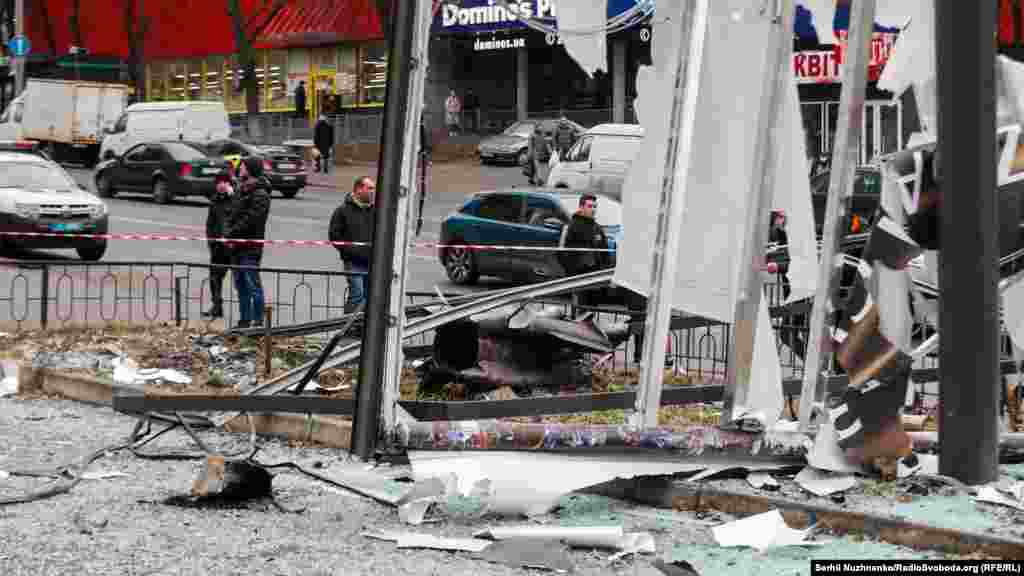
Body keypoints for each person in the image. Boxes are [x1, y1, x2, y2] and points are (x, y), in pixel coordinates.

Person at [224, 157, 271, 330]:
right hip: (236, 247)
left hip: (250, 247)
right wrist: (227, 234)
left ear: (250, 169)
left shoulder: (261, 194)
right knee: (240, 286)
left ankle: (258, 323)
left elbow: (252, 220)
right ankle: (244, 321)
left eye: (242, 166)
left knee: (253, 285)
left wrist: (232, 232)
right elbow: (230, 213)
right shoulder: (240, 189)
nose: (240, 168)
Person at [329, 177, 377, 313]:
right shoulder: (342, 211)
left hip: (372, 262)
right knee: (357, 295)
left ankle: (363, 329)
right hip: (353, 262)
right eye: (370, 188)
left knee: (369, 297)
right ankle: (348, 327)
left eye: (373, 188)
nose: (373, 192)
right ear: (358, 189)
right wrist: (350, 251)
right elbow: (334, 236)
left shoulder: (375, 211)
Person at [559, 194, 613, 307]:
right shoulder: (571, 226)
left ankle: (589, 322)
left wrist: (605, 272)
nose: (593, 209)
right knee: (580, 308)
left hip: (595, 276)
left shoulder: (597, 228)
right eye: (590, 206)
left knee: (592, 307)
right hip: (578, 277)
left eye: (595, 206)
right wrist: (572, 274)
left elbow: (605, 253)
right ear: (581, 207)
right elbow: (562, 253)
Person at [201, 173, 234, 319]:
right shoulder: (214, 200)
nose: (221, 184)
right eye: (218, 182)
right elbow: (210, 224)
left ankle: (250, 314)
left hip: (233, 246)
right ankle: (217, 306)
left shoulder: (236, 199)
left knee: (240, 280)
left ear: (229, 183)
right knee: (215, 277)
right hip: (217, 247)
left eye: (224, 182)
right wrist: (211, 241)